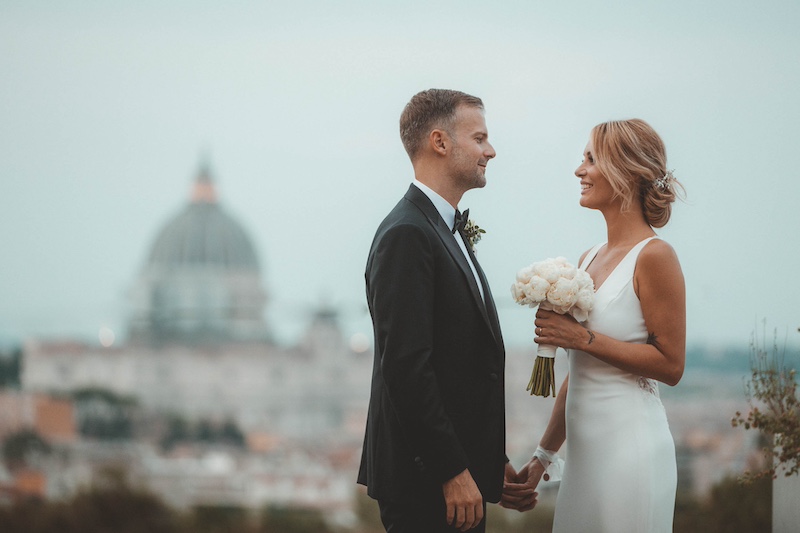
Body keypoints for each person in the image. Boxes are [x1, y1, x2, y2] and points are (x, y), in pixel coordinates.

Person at [502, 119, 686, 532]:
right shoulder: (588, 258)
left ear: (625, 172)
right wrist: (543, 458)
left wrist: (580, 337)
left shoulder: (655, 256)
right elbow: (579, 374)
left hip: (630, 453)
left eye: (590, 159)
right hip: (584, 459)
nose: (578, 170)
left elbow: (671, 365)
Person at [358, 89, 516, 532]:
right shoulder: (407, 234)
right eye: (480, 138)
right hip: (428, 484)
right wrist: (451, 470)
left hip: (458, 474)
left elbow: (459, 359)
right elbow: (408, 366)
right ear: (440, 142)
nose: (491, 150)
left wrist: (489, 459)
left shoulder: (440, 227)